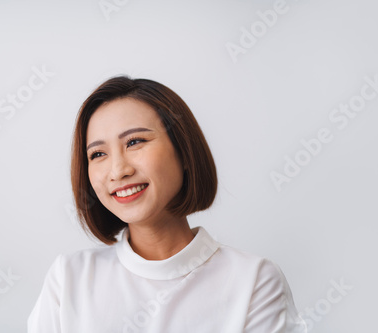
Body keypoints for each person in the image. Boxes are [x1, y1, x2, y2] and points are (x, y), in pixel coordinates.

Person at [28, 76, 307, 332]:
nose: (118, 170)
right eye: (98, 154)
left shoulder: (254, 281)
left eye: (135, 142)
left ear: (183, 151)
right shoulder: (69, 278)